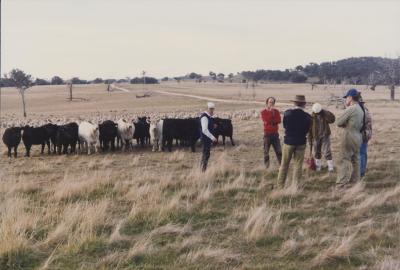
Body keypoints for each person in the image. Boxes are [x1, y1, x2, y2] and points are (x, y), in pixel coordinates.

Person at [277, 95, 311, 189]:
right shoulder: (308, 116)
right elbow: (307, 130)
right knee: (298, 165)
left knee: (284, 164)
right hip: (301, 142)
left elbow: (285, 126)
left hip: (289, 141)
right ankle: (295, 186)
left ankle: (280, 186)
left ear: (294, 103)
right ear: (304, 104)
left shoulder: (287, 113)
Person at [336, 89, 364, 187]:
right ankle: (355, 181)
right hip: (358, 136)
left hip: (349, 135)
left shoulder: (351, 109)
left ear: (351, 98)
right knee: (355, 160)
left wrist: (345, 123)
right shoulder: (360, 109)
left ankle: (341, 184)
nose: (345, 100)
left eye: (346, 97)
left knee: (343, 159)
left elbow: (339, 122)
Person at [308, 103, 336, 172]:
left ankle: (330, 167)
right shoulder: (311, 117)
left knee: (327, 151)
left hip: (325, 136)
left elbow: (332, 119)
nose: (317, 113)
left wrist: (325, 112)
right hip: (316, 137)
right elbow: (309, 130)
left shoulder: (325, 115)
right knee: (317, 152)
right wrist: (310, 140)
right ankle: (318, 167)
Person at [260, 97, 282, 168]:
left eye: (272, 102)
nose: (271, 104)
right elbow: (266, 120)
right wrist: (271, 113)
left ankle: (281, 166)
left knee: (279, 151)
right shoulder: (263, 112)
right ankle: (267, 167)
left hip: (275, 134)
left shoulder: (277, 111)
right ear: (267, 103)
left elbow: (279, 120)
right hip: (267, 135)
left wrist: (271, 121)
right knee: (266, 152)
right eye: (270, 102)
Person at [200, 102, 217, 171]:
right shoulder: (204, 117)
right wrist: (212, 137)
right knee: (206, 154)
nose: (212, 110)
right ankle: (203, 170)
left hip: (207, 139)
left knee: (206, 154)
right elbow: (204, 130)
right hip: (205, 139)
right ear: (207, 109)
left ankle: (202, 169)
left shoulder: (208, 117)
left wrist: (213, 126)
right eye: (210, 109)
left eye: (213, 109)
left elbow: (207, 126)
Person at [358, 96, 372, 177]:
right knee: (363, 153)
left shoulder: (361, 111)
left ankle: (361, 172)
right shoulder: (366, 110)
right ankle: (362, 171)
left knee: (361, 154)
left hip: (362, 135)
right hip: (367, 134)